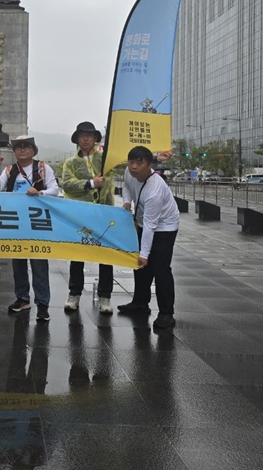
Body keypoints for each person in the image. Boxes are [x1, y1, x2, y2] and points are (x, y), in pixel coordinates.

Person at [0, 135, 59, 322]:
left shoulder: (44, 168)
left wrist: (40, 192)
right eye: (18, 147)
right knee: (18, 264)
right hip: (16, 223)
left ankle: (43, 304)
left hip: (37, 224)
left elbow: (55, 189)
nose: (22, 150)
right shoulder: (9, 169)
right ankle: (22, 298)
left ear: (33, 150)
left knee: (39, 265)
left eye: (26, 147)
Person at [118, 146, 180, 329]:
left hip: (165, 227)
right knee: (140, 268)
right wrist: (127, 201)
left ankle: (166, 313)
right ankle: (140, 303)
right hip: (144, 222)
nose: (134, 166)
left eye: (139, 162)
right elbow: (127, 187)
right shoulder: (129, 173)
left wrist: (145, 254)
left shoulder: (155, 189)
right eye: (131, 162)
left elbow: (151, 226)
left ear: (150, 164)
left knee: (160, 269)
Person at [62, 121, 115, 314]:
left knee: (106, 255)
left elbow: (129, 163)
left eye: (89, 135)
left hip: (103, 212)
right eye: (81, 135)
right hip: (80, 213)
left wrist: (157, 156)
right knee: (77, 254)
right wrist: (91, 183)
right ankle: (74, 294)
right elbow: (67, 184)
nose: (85, 138)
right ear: (77, 139)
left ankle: (105, 296)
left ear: (95, 139)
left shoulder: (105, 159)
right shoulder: (70, 163)